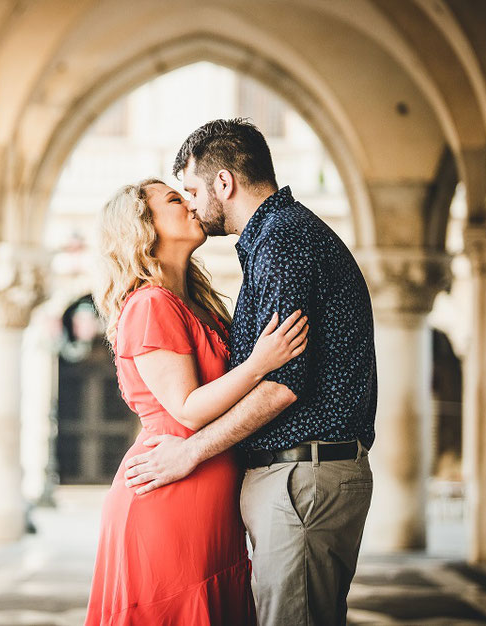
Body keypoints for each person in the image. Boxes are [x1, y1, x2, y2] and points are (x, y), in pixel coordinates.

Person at [123, 119, 377, 626]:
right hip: (297, 478)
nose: (191, 203)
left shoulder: (283, 240)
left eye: (191, 189)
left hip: (301, 477)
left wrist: (189, 453)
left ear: (225, 184)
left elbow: (282, 386)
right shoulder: (275, 239)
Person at [84, 177, 309, 625]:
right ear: (144, 226)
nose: (190, 203)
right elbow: (186, 407)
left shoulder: (192, 300)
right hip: (169, 496)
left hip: (208, 494)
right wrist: (260, 364)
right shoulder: (150, 304)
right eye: (173, 199)